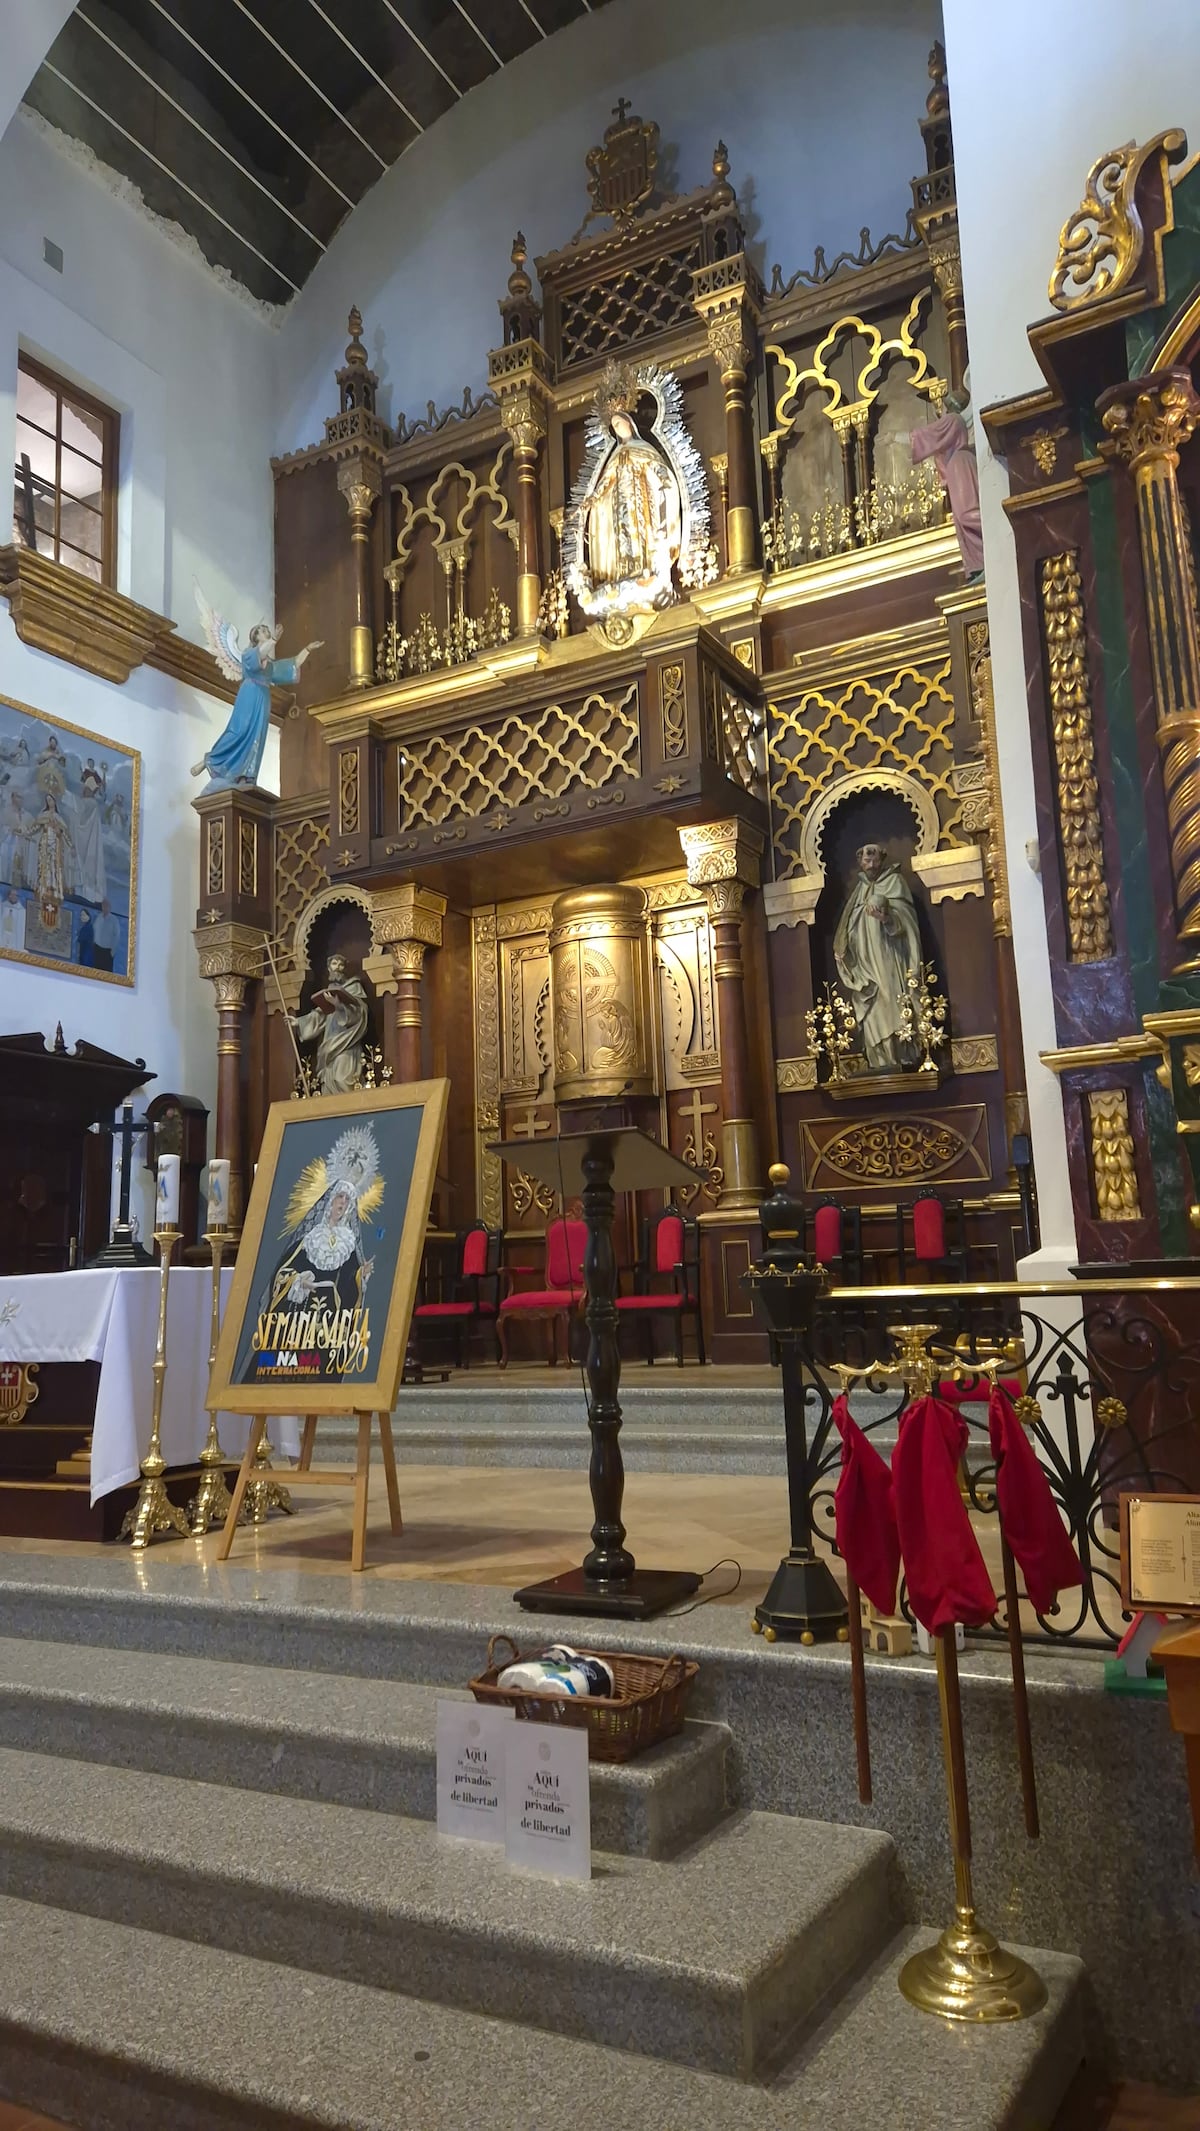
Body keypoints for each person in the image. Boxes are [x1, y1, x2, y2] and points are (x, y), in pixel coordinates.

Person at [192, 623, 322, 792]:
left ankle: (246, 775)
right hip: (250, 693)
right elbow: (260, 653)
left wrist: (308, 649)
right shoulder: (249, 654)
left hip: (263, 698)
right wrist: (274, 638)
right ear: (255, 638)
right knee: (239, 730)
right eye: (263, 631)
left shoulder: (270, 665)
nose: (267, 632)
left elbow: (294, 664)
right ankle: (209, 760)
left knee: (256, 737)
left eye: (267, 630)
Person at [580, 407, 682, 610]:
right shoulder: (616, 455)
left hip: (641, 503)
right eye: (614, 426)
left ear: (629, 424)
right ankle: (624, 575)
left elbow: (657, 468)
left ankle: (647, 570)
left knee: (640, 538)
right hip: (619, 508)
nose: (617, 428)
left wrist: (663, 480)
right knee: (622, 541)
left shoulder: (642, 448)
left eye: (619, 423)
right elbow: (606, 481)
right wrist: (592, 499)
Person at [833, 843, 923, 1070]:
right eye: (864, 856)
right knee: (872, 1006)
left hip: (890, 958)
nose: (869, 860)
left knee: (891, 1001)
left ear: (882, 858)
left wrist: (887, 919)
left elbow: (908, 923)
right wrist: (845, 951)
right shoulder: (859, 891)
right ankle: (878, 1058)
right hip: (864, 964)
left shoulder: (894, 882)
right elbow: (847, 926)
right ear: (859, 861)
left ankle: (899, 1054)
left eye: (874, 856)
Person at [910, 371, 984, 580]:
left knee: (966, 514)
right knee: (962, 521)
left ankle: (992, 534)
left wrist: (896, 438)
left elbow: (930, 436)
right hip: (957, 466)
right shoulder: (957, 424)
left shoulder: (953, 420)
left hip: (960, 465)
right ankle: (977, 563)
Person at [290, 953, 369, 1094]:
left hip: (347, 1042)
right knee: (329, 1080)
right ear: (328, 968)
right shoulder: (329, 992)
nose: (337, 968)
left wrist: (339, 1006)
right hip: (329, 1041)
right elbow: (319, 1014)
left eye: (341, 964)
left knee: (342, 1079)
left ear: (344, 968)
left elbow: (360, 1012)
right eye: (334, 964)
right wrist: (299, 1022)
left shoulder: (354, 987)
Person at [74, 757, 107, 905]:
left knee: (88, 866)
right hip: (85, 839)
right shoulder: (89, 802)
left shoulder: (90, 803)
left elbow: (81, 819)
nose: (84, 792)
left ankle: (88, 893)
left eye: (86, 790)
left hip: (89, 840)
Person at [91, 898, 121, 973]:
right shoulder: (99, 917)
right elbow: (94, 930)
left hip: (107, 952)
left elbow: (117, 936)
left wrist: (112, 952)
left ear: (110, 907)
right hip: (97, 949)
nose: (104, 907)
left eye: (106, 906)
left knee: (106, 973)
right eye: (103, 906)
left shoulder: (114, 920)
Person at [0, 886, 26, 953]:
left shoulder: (21, 910)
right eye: (12, 894)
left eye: (15, 895)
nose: (14, 896)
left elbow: (21, 927)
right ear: (9, 896)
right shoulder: (2, 906)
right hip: (3, 934)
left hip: (14, 937)